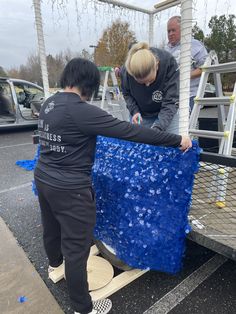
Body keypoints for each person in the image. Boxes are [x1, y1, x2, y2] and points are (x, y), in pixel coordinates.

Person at [34, 57, 192, 314]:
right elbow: (133, 133)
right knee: (77, 247)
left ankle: (54, 265)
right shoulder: (83, 111)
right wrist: (177, 140)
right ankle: (83, 309)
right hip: (71, 188)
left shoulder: (48, 104)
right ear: (89, 84)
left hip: (43, 177)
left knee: (51, 228)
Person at [120, 41, 180, 133]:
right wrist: (134, 111)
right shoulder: (126, 72)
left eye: (150, 80)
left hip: (168, 112)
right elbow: (126, 93)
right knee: (140, 145)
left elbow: (171, 100)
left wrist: (158, 127)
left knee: (173, 144)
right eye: (141, 83)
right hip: (141, 115)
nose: (147, 86)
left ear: (156, 65)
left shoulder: (168, 63)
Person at [165, 15, 208, 112]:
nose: (170, 34)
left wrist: (184, 76)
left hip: (190, 95)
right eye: (168, 31)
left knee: (185, 125)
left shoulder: (195, 45)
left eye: (173, 30)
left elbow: (205, 68)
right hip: (170, 96)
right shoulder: (166, 50)